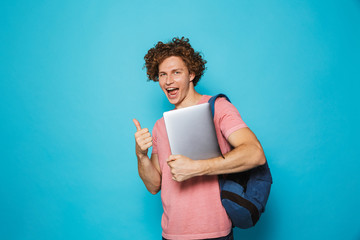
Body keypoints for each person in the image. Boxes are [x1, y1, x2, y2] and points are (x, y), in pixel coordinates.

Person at [133, 37, 266, 240]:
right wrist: (141, 155)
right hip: (171, 234)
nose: (168, 81)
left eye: (176, 72)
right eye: (162, 74)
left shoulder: (218, 108)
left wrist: (196, 168)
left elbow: (255, 153)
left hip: (215, 234)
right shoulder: (160, 125)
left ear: (191, 74)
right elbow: (153, 185)